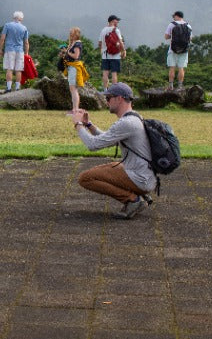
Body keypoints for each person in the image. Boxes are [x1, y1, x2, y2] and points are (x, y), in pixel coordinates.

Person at [71, 82, 156, 219]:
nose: (106, 102)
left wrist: (78, 124)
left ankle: (133, 199)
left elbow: (93, 145)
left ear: (119, 98)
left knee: (85, 178)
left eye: (108, 98)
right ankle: (137, 195)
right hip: (145, 175)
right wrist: (88, 125)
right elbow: (106, 139)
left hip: (140, 178)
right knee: (111, 167)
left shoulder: (126, 123)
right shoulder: (134, 117)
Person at [0, 11, 30, 93]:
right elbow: (26, 42)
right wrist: (26, 53)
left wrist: (0, 49)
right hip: (20, 51)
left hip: (9, 49)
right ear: (21, 19)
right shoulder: (24, 28)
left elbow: (2, 38)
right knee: (18, 70)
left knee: (9, 69)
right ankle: (17, 88)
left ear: (13, 17)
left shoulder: (7, 25)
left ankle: (8, 88)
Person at [62, 27, 89, 114]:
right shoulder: (73, 43)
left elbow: (76, 56)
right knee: (72, 88)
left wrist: (68, 52)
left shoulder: (77, 43)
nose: (70, 35)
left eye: (72, 33)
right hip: (71, 67)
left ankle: (76, 109)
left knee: (73, 88)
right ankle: (75, 108)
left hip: (74, 66)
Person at [98, 14, 126, 91]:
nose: (117, 22)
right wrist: (124, 50)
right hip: (115, 55)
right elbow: (120, 42)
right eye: (117, 21)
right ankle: (114, 91)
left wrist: (102, 51)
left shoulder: (103, 30)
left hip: (105, 55)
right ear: (113, 21)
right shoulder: (116, 30)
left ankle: (105, 90)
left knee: (105, 73)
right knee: (114, 73)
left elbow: (99, 43)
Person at [165, 11, 192, 90]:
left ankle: (171, 86)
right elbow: (190, 38)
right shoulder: (188, 26)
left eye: (174, 16)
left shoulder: (172, 24)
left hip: (173, 50)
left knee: (172, 68)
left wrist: (172, 36)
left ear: (176, 16)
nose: (173, 18)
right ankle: (180, 86)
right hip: (184, 50)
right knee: (181, 68)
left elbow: (166, 37)